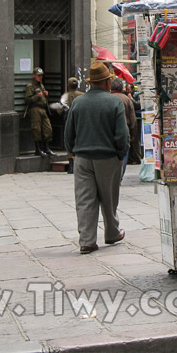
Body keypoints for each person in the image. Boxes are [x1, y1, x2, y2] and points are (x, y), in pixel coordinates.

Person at [64, 62, 130, 254]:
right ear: (108, 82)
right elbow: (122, 135)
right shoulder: (114, 102)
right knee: (109, 198)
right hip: (107, 157)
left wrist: (73, 153)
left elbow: (69, 134)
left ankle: (87, 241)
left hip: (82, 158)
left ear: (92, 83)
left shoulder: (78, 102)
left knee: (84, 200)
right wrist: (120, 154)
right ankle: (112, 233)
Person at [109, 77, 136, 179]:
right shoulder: (127, 99)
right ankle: (120, 176)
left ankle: (113, 175)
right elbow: (132, 119)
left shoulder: (108, 98)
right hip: (126, 131)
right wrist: (133, 133)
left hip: (110, 131)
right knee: (124, 153)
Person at [25, 67, 55, 157]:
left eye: (41, 76)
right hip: (35, 109)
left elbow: (44, 99)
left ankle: (47, 147)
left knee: (47, 128)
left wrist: (46, 96)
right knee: (36, 129)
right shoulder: (30, 86)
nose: (40, 77)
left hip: (43, 108)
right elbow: (27, 99)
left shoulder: (41, 85)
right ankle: (38, 149)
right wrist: (37, 96)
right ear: (34, 76)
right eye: (38, 76)